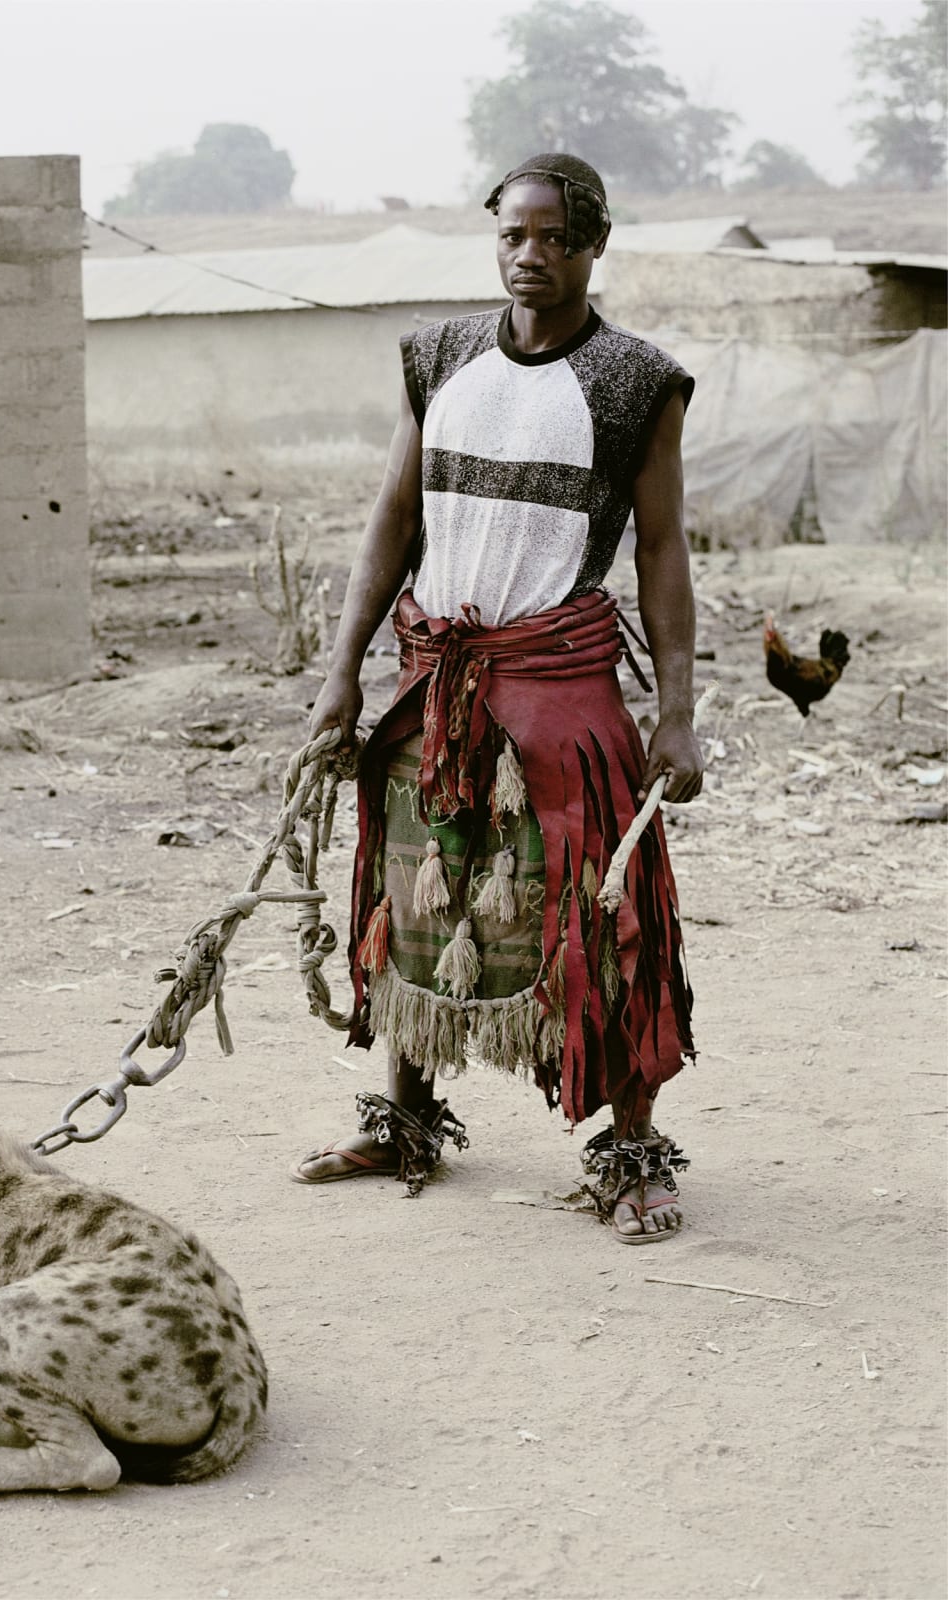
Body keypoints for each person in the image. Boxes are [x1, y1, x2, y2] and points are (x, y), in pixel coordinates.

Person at [292, 153, 703, 1244]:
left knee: (598, 917)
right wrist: (343, 668)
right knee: (420, 901)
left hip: (559, 685)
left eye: (556, 237)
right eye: (514, 236)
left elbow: (662, 552)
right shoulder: (439, 358)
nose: (532, 256)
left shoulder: (634, 383)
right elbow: (391, 517)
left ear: (594, 245)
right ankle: (408, 1117)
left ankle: (626, 1151)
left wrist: (676, 708)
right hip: (434, 678)